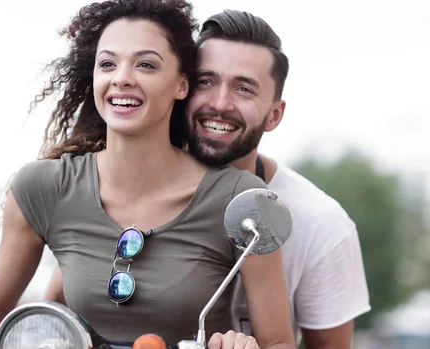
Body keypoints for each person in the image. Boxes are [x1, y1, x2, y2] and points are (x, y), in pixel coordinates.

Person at [0, 1, 294, 349]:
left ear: (182, 85)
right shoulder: (42, 188)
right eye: (108, 63)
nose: (122, 78)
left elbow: (278, 342)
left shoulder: (244, 201)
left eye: (145, 65)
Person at [44, 8, 371, 349]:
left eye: (244, 89)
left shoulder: (321, 224)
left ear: (274, 115)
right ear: (180, 86)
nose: (219, 103)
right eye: (206, 82)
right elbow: (53, 310)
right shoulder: (130, 192)